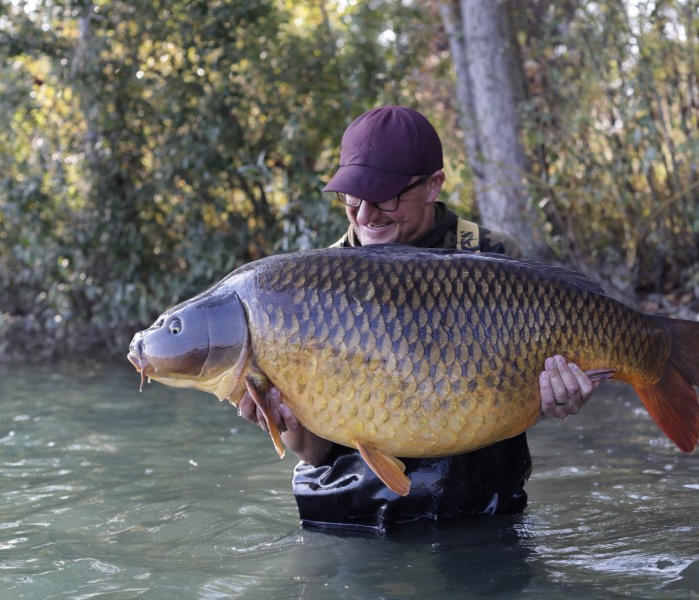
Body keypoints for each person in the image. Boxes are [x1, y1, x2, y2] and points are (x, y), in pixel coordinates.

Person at [239, 105, 607, 532]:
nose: (363, 216)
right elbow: (315, 452)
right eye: (352, 197)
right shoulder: (314, 286)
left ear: (433, 186)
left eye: (384, 197)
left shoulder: (493, 259)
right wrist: (280, 422)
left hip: (475, 517)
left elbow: (510, 401)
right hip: (349, 519)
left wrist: (555, 401)